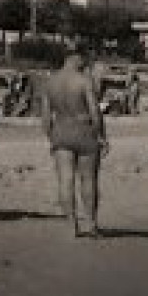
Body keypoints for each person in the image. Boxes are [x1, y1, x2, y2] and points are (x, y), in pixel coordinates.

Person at [38, 44, 110, 238]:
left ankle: (71, 226)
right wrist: (102, 136)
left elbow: (45, 119)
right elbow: (95, 112)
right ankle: (92, 224)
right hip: (83, 129)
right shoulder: (84, 81)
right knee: (88, 179)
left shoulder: (50, 82)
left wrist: (52, 137)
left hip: (61, 130)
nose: (85, 62)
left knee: (65, 180)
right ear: (75, 57)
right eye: (83, 58)